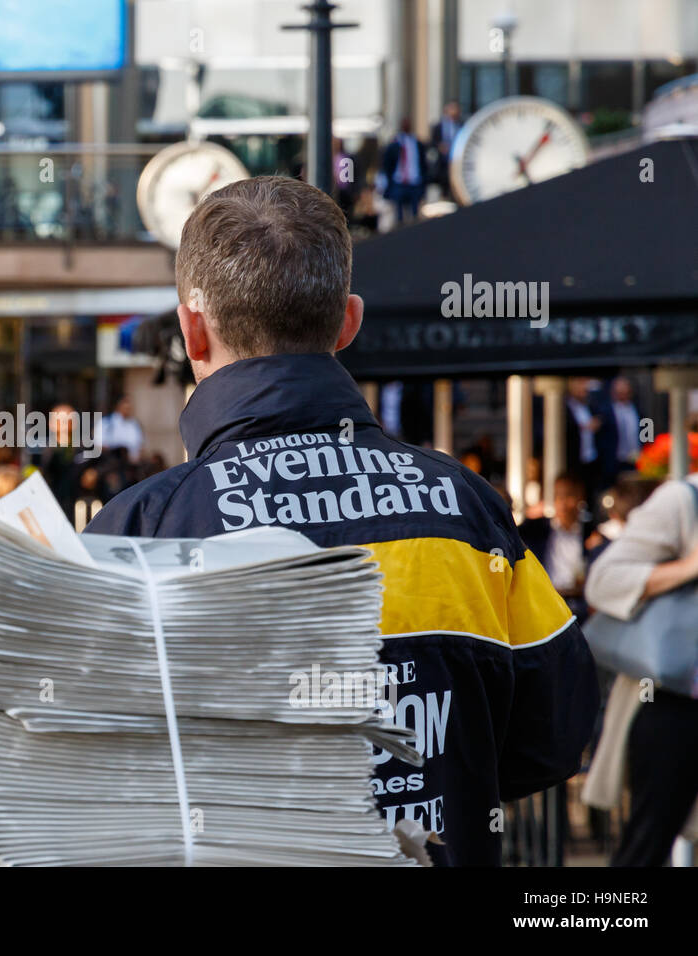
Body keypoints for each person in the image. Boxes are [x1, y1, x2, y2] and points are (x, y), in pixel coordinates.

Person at [84, 175, 599, 867]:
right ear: (348, 321)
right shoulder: (466, 512)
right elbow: (555, 735)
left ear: (192, 329)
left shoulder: (141, 528)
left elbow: (80, 768)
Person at [584, 472, 698, 866]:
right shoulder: (684, 499)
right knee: (647, 845)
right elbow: (603, 580)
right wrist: (688, 568)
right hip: (676, 699)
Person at [518, 473, 595, 621]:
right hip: (545, 605)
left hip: (581, 608)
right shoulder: (535, 530)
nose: (563, 503)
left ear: (581, 498)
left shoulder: (591, 534)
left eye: (569, 496)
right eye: (558, 496)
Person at [380, 119, 428, 225]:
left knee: (415, 216)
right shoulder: (395, 144)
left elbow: (423, 164)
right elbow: (387, 164)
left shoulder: (417, 143)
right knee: (399, 216)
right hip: (399, 183)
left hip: (414, 182)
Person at [609, 377, 642, 476]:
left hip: (636, 460)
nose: (622, 395)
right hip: (615, 461)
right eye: (619, 392)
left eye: (625, 392)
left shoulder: (639, 411)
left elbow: (647, 432)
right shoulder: (606, 412)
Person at [97, 396, 144, 462]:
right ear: (118, 407)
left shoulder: (135, 424)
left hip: (132, 464)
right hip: (111, 463)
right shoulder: (106, 422)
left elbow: (140, 446)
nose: (127, 411)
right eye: (125, 408)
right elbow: (99, 445)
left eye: (129, 408)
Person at [430, 101, 463, 193]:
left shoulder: (461, 125)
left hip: (457, 163)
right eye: (452, 109)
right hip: (443, 164)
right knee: (444, 190)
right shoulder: (438, 127)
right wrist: (440, 147)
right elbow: (432, 143)